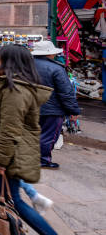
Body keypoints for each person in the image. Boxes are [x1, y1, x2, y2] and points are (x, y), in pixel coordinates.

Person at [0, 44, 57, 235]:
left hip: (9, 152)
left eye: (0, 57)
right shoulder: (8, 84)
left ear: (9, 61)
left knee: (13, 200)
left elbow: (10, 129)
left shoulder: (15, 90)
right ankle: (0, 224)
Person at [31, 40, 81, 169]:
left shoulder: (25, 66)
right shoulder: (57, 68)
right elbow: (66, 93)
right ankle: (42, 160)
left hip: (29, 107)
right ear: (49, 54)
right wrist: (73, 111)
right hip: (52, 110)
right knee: (48, 136)